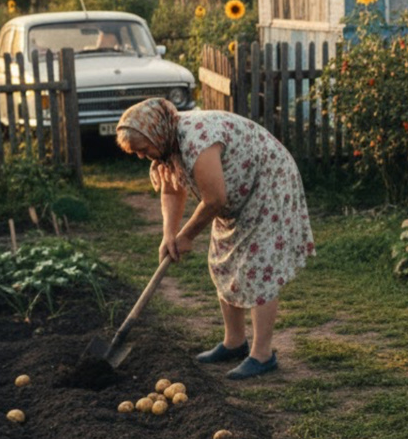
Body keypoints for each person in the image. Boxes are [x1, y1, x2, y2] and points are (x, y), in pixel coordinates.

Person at [116, 98, 314, 380]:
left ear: (155, 133)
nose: (141, 156)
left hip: (268, 183)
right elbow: (173, 190)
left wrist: (187, 235)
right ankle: (234, 343)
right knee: (222, 261)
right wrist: (169, 235)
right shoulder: (168, 144)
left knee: (259, 268)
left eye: (143, 149)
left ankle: (262, 354)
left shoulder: (198, 139)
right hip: (235, 193)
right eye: (136, 152)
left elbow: (215, 199)